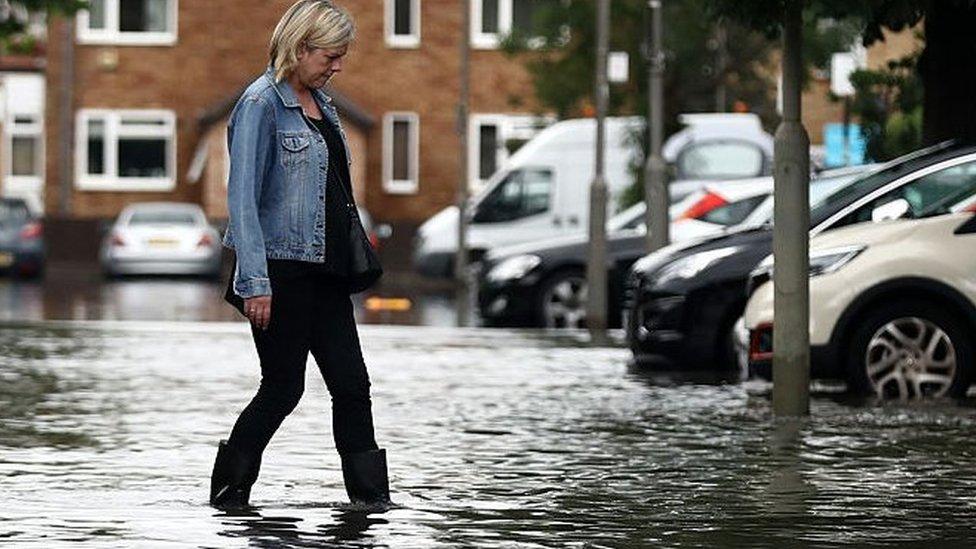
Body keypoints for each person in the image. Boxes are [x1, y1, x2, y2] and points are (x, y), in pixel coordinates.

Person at [210, 0, 390, 510]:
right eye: (331, 55)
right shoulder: (260, 103)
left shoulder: (323, 105)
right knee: (283, 387)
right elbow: (242, 198)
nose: (338, 66)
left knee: (353, 386)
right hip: (282, 271)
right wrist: (255, 282)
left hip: (327, 272)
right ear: (300, 46)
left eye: (342, 57)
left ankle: (371, 502)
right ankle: (228, 495)